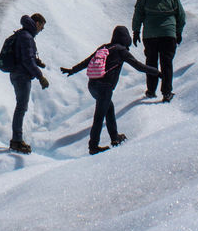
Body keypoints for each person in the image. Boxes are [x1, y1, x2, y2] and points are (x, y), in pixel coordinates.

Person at [61, 26, 160, 155]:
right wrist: (157, 72)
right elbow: (139, 66)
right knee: (99, 117)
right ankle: (93, 146)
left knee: (109, 109)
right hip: (105, 87)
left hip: (92, 85)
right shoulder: (121, 50)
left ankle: (115, 138)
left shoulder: (104, 48)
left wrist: (72, 70)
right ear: (125, 38)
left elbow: (88, 61)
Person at [131, 0, 186, 102]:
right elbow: (181, 17)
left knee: (151, 62)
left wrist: (136, 32)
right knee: (166, 63)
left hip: (149, 36)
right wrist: (178, 32)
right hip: (168, 34)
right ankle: (166, 93)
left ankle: (151, 91)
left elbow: (138, 14)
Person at [7, 13, 50, 154]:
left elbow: (25, 56)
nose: (41, 30)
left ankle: (17, 140)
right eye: (42, 27)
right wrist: (40, 76)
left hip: (17, 74)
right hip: (21, 76)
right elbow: (26, 60)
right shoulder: (26, 37)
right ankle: (17, 141)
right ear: (37, 23)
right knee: (21, 107)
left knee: (21, 107)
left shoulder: (23, 34)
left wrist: (37, 63)